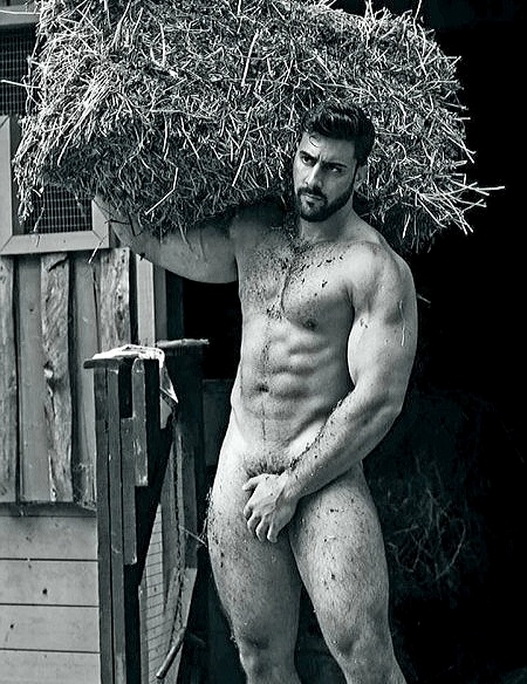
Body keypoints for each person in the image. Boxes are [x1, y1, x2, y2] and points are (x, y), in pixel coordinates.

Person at [105, 100, 417, 683]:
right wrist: (101, 174)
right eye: (306, 159)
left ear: (359, 173)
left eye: (333, 168)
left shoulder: (373, 268)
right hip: (242, 460)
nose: (314, 179)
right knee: (258, 657)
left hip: (320, 468)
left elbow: (378, 401)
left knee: (364, 653)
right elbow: (150, 242)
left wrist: (291, 486)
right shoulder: (253, 232)